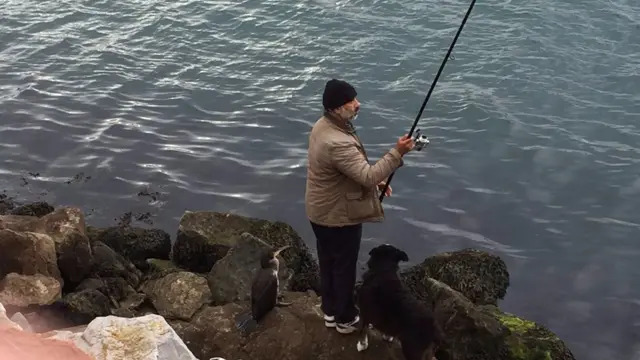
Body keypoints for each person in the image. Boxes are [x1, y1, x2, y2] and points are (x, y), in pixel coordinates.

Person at [305, 78, 415, 334]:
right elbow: (367, 175)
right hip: (337, 217)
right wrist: (397, 153)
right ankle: (344, 318)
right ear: (336, 108)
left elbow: (348, 173)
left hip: (319, 211)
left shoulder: (323, 126)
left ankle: (330, 311)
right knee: (344, 267)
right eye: (351, 101)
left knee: (329, 262)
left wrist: (376, 186)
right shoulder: (338, 142)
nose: (358, 104)